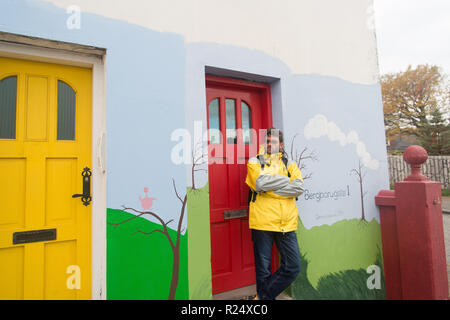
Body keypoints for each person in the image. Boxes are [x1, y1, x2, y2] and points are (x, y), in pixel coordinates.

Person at [245, 127, 305, 300]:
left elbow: (299, 187)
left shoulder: (289, 163)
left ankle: (260, 299)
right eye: (268, 140)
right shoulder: (255, 161)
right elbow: (260, 184)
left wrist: (272, 189)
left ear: (281, 144)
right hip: (262, 221)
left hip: (286, 223)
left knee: (293, 267)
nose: (270, 144)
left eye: (274, 141)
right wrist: (286, 180)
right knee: (263, 269)